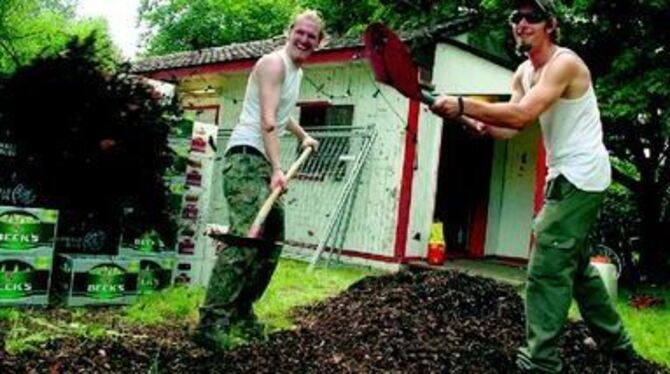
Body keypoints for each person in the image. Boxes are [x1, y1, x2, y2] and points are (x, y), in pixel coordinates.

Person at [430, 0, 635, 372]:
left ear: (550, 25)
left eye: (532, 17)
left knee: (546, 266)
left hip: (583, 175)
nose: (522, 23)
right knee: (575, 269)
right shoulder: (523, 72)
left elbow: (523, 113)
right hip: (563, 175)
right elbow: (510, 128)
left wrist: (463, 104)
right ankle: (617, 346)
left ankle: (540, 362)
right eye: (516, 17)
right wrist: (472, 122)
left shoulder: (565, 64)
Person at [195, 10, 324, 350]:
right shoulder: (273, 64)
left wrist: (302, 134)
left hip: (263, 163)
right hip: (246, 159)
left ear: (319, 42)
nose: (305, 39)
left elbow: (281, 114)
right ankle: (211, 322)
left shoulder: (295, 72)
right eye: (300, 32)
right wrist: (279, 169)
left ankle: (240, 312)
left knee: (271, 244)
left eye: (312, 35)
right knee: (244, 242)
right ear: (289, 32)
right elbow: (267, 121)